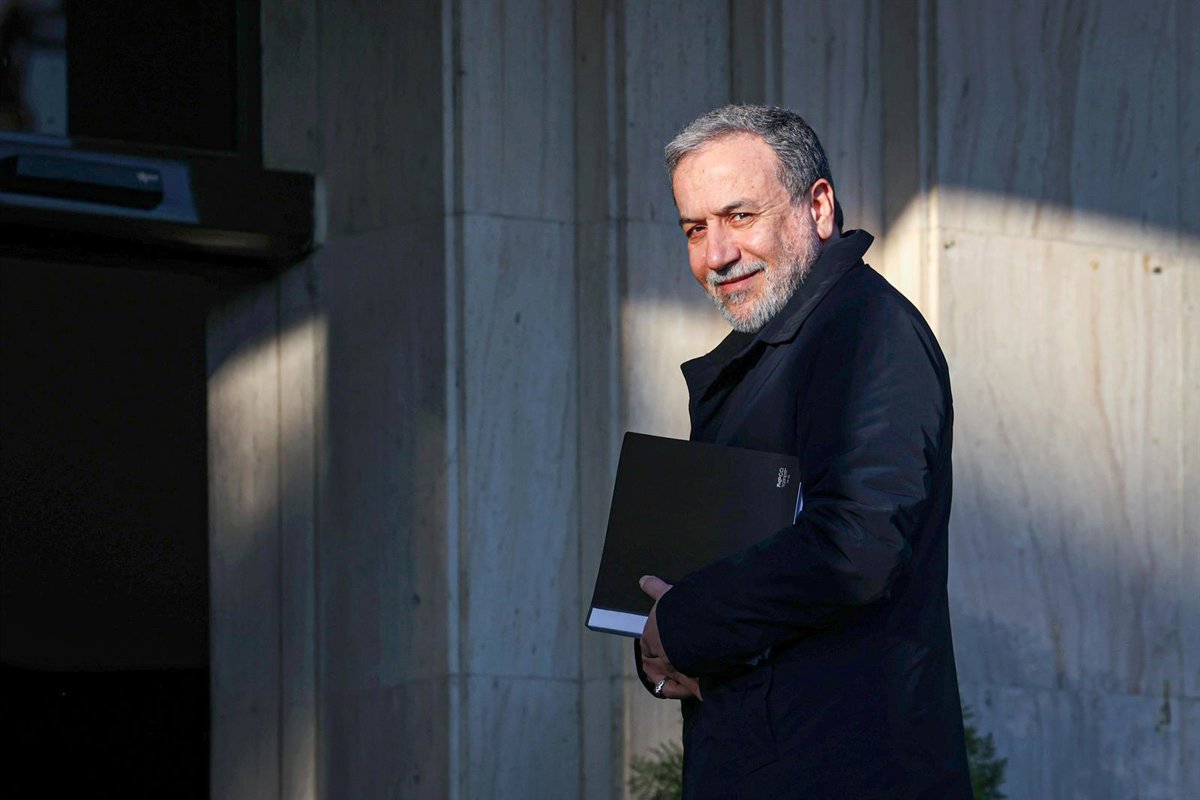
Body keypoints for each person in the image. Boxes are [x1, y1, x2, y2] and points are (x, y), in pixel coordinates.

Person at [634, 105, 973, 798]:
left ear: (817, 208)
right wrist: (663, 645)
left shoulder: (869, 329)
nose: (716, 255)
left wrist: (686, 623)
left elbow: (857, 543)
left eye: (739, 217)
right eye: (695, 229)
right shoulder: (772, 354)